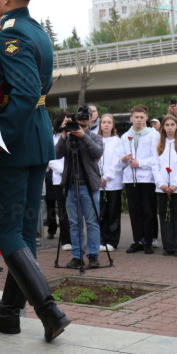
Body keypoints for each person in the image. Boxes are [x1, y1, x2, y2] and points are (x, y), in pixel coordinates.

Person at [0, 0, 70, 343]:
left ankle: (48, 310)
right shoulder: (34, 30)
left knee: (8, 229)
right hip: (34, 141)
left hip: (14, 144)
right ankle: (10, 313)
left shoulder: (10, 34)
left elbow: (25, 94)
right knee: (23, 233)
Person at [55, 106, 104, 269]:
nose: (83, 119)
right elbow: (56, 154)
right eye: (80, 116)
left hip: (89, 186)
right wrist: (63, 134)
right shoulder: (68, 137)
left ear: (91, 119)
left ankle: (93, 255)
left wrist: (82, 136)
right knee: (74, 223)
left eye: (86, 116)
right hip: (70, 185)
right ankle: (77, 256)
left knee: (92, 222)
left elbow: (96, 152)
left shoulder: (95, 137)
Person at [119, 105, 160, 254]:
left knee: (148, 211)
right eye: (136, 117)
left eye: (141, 117)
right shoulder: (125, 136)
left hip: (147, 178)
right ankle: (138, 240)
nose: (139, 120)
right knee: (134, 211)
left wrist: (140, 163)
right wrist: (124, 159)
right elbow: (120, 159)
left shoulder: (153, 135)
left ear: (146, 118)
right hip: (131, 179)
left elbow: (156, 157)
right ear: (131, 119)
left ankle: (149, 241)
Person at [152, 115, 177, 256]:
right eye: (167, 125)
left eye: (172, 125)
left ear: (176, 126)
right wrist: (161, 184)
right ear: (163, 127)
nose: (169, 128)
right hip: (163, 189)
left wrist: (175, 184)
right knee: (165, 216)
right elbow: (155, 166)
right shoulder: (159, 144)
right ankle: (168, 246)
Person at [98, 114, 123, 251]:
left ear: (113, 125)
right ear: (100, 124)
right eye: (104, 122)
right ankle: (101, 239)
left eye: (109, 122)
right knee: (101, 212)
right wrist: (98, 176)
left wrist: (106, 177)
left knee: (113, 212)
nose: (106, 125)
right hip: (98, 182)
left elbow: (117, 161)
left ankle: (112, 241)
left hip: (113, 182)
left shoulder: (117, 141)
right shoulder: (96, 140)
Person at [47, 112, 71, 248]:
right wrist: (65, 171)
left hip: (74, 179)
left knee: (74, 210)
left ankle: (76, 238)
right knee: (63, 210)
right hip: (59, 179)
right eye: (64, 122)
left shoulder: (76, 136)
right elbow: (51, 159)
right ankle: (66, 239)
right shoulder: (53, 138)